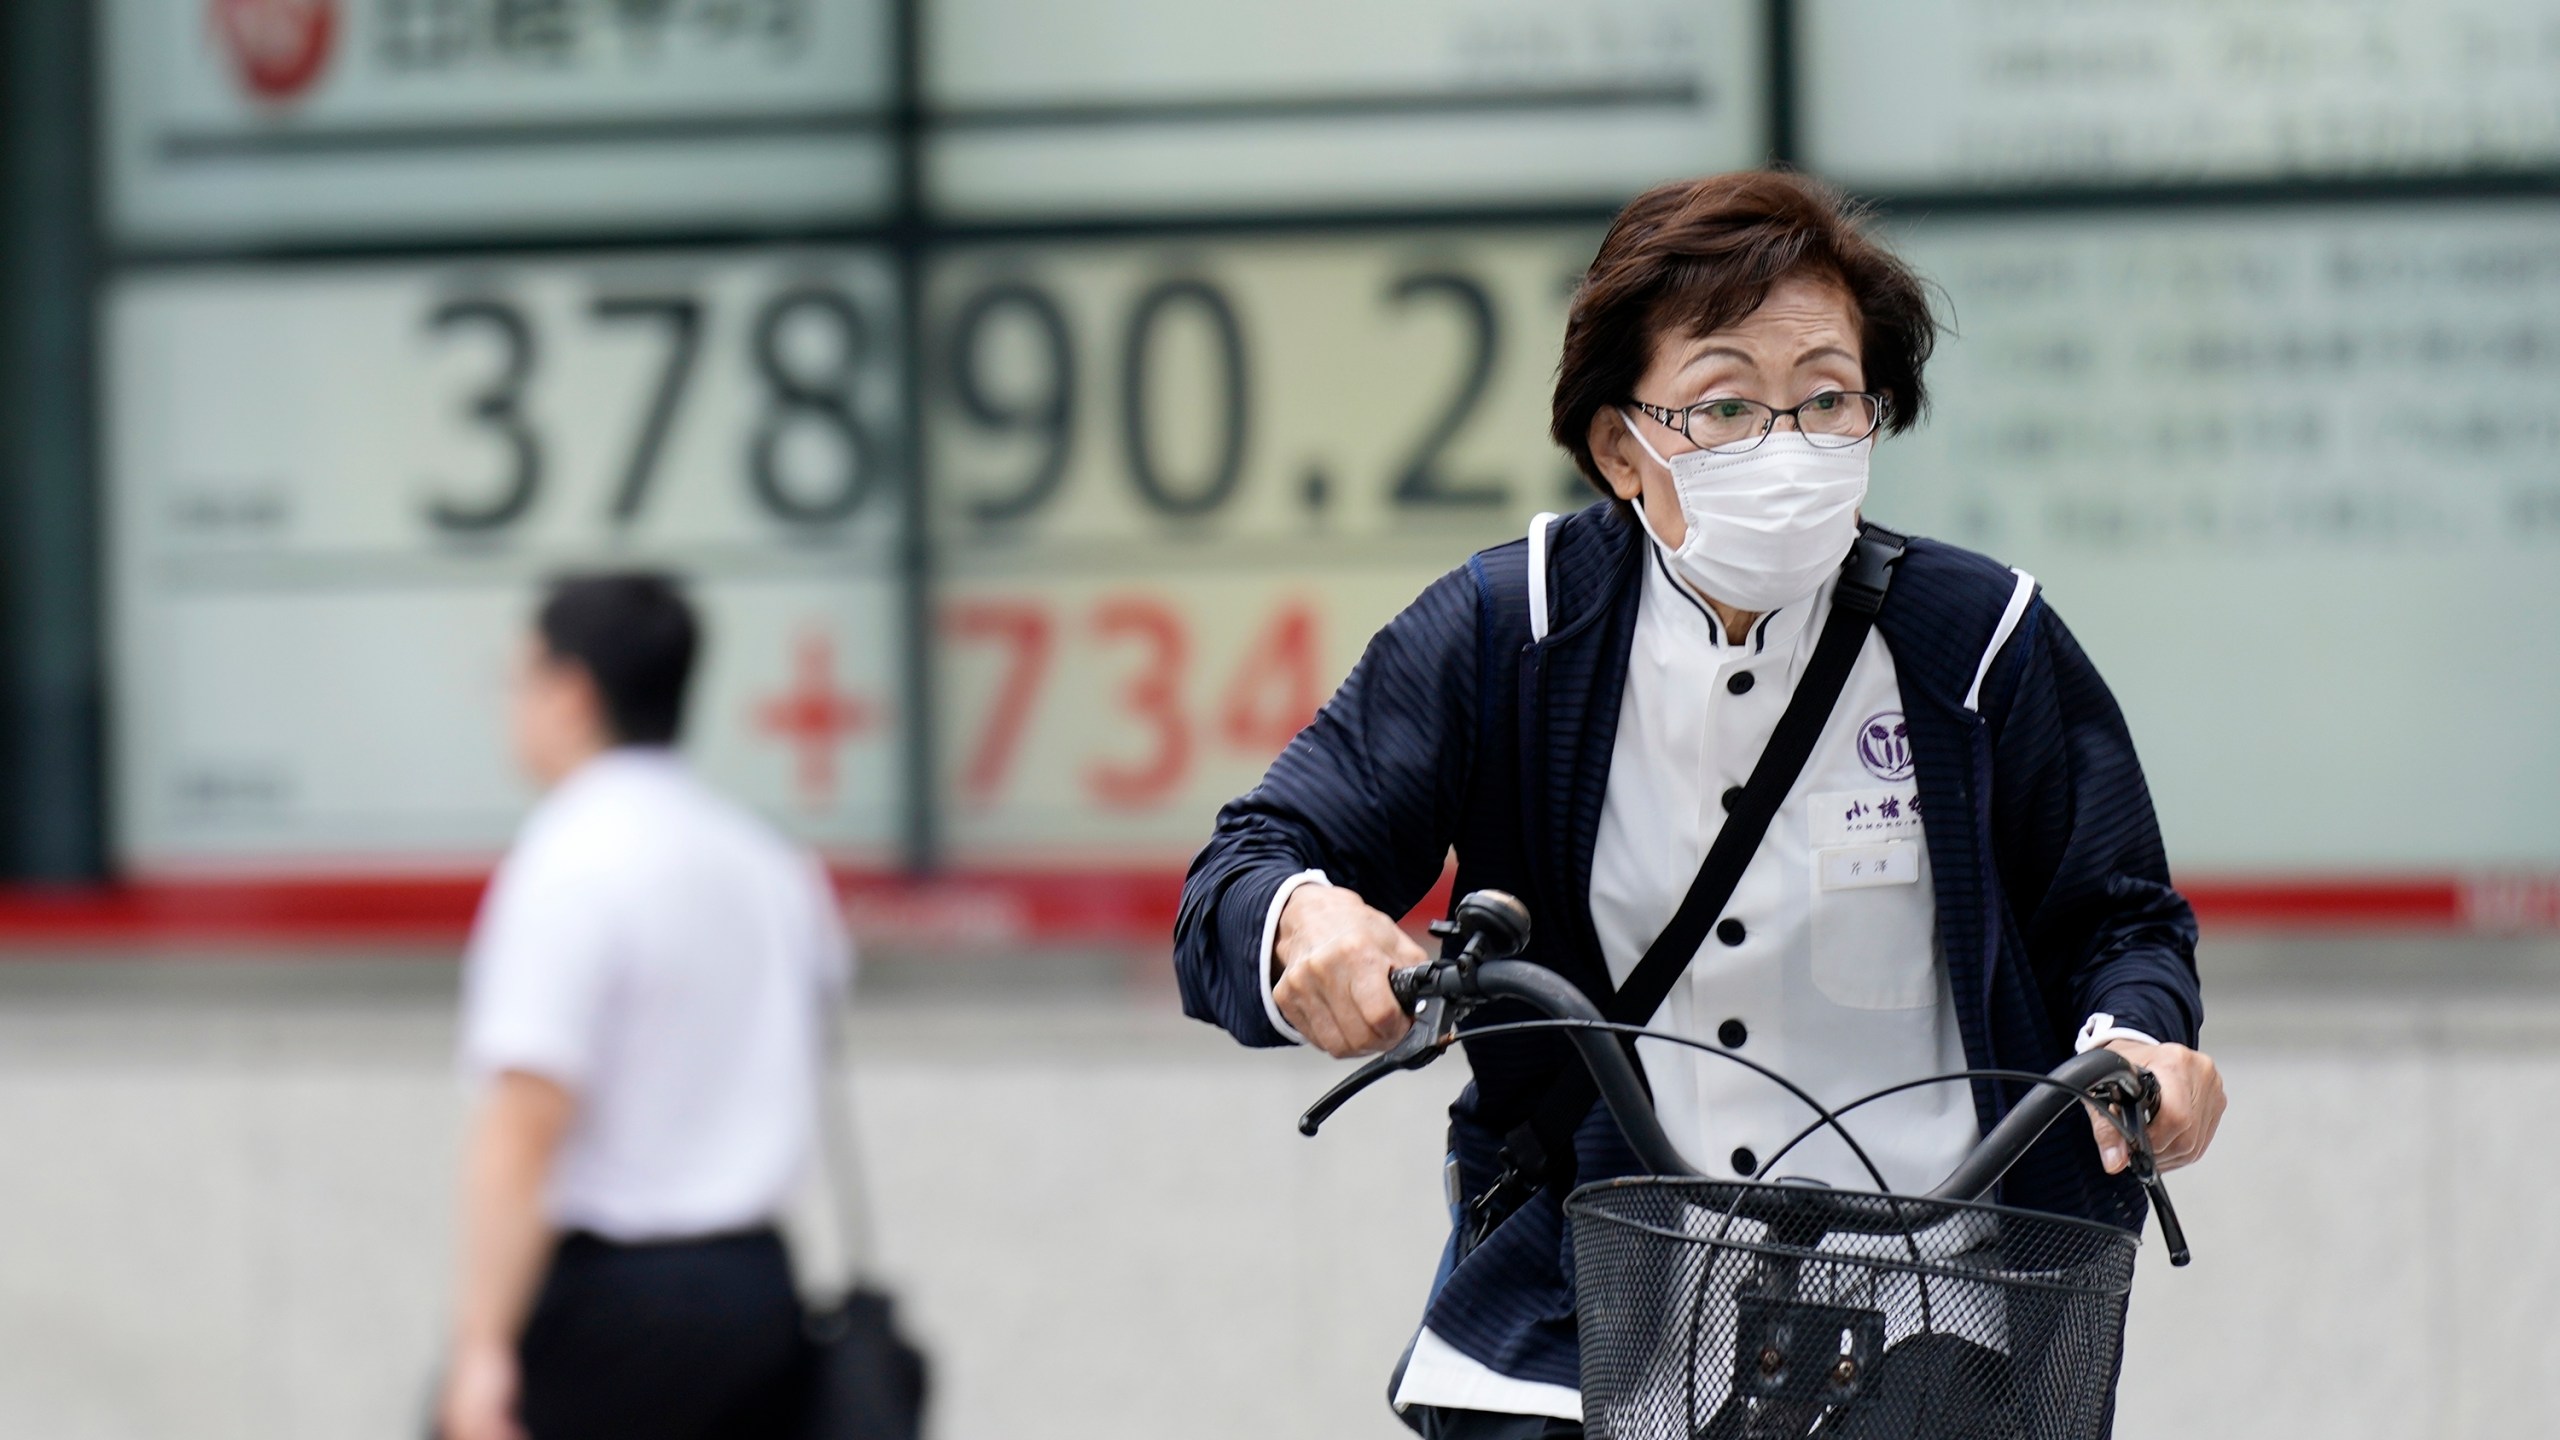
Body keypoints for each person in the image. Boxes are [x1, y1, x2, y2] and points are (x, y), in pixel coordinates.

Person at [1174, 171, 2226, 1438]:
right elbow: (1246, 866)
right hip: (1584, 1315)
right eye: (1723, 403)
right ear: (1618, 446)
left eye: (1828, 398)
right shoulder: (1513, 629)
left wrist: (2138, 1046)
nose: (1786, 446)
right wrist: (1306, 923)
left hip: (1938, 1321)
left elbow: (2118, 921)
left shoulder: (1981, 641)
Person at [438, 573, 851, 1440]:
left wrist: (482, 1347)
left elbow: (526, 1119)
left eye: (519, 681)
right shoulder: (768, 861)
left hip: (614, 1306)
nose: (509, 710)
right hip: (759, 1288)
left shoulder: (569, 858)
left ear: (572, 695)